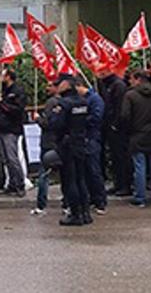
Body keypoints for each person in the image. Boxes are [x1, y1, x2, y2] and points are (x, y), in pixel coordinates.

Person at [122, 69, 151, 208]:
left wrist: (128, 130)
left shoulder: (130, 95)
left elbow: (125, 116)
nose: (130, 82)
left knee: (139, 167)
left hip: (137, 135)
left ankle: (140, 197)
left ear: (137, 79)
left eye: (131, 79)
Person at [49, 75, 90, 227]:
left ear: (66, 85)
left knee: (70, 180)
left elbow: (55, 124)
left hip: (67, 144)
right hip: (80, 142)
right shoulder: (83, 102)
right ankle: (85, 213)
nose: (57, 86)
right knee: (81, 179)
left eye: (59, 83)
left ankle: (75, 214)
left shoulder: (63, 104)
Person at [0, 69, 27, 197]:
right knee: (6, 159)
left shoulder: (17, 91)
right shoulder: (4, 90)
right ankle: (12, 184)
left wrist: (2, 103)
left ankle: (20, 184)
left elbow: (17, 110)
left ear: (8, 77)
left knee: (12, 158)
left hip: (11, 129)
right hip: (1, 127)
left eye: (2, 75)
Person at [75, 79, 107, 214]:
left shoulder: (94, 99)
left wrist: (81, 121)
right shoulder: (83, 99)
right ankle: (91, 198)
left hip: (92, 137)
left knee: (94, 170)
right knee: (86, 171)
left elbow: (97, 117)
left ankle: (100, 200)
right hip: (84, 137)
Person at [98, 68, 130, 196]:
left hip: (117, 128)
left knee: (120, 156)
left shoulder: (118, 85)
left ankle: (124, 184)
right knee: (114, 157)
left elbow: (119, 108)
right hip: (108, 126)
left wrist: (115, 124)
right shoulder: (105, 84)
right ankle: (118, 183)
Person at [32, 80, 61, 216]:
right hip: (60, 142)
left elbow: (47, 123)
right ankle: (67, 204)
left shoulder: (51, 103)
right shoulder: (64, 102)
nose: (47, 88)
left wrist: (38, 118)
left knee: (43, 174)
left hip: (48, 142)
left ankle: (41, 205)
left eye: (50, 85)